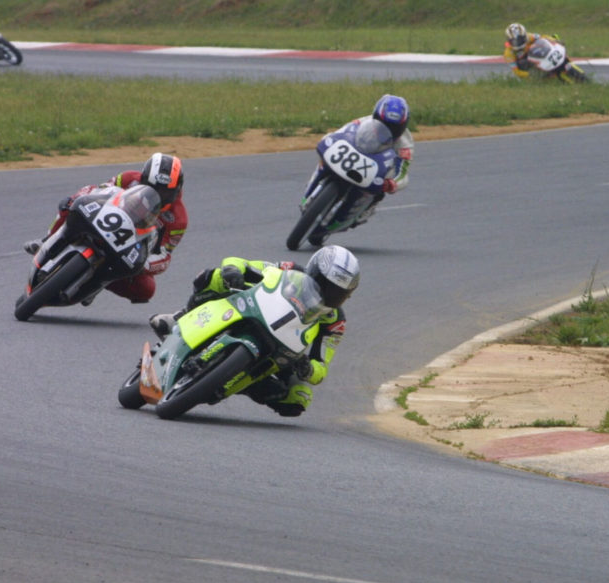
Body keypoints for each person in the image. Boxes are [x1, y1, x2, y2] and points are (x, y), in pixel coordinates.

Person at [148, 245, 360, 417]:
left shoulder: (335, 322)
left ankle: (233, 381)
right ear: (313, 271)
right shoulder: (292, 270)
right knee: (214, 277)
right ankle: (180, 317)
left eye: (338, 293)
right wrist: (233, 271)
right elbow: (245, 264)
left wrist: (308, 369)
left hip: (287, 349)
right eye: (325, 284)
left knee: (298, 399)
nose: (328, 294)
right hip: (259, 309)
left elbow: (322, 366)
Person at [22, 153, 187, 305]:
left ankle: (99, 283)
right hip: (105, 219)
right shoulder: (129, 178)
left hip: (130, 247)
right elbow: (99, 190)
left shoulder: (178, 220)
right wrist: (76, 198)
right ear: (143, 178)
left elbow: (164, 256)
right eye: (151, 187)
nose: (157, 195)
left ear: (177, 189)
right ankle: (47, 239)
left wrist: (146, 264)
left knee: (147, 289)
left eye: (164, 192)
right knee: (69, 206)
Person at [302, 93, 414, 228]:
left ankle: (366, 208)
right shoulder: (363, 121)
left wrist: (392, 184)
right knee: (325, 157)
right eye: (384, 124)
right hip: (355, 154)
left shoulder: (405, 144)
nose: (389, 130)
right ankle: (309, 191)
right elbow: (341, 133)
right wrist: (328, 140)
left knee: (381, 185)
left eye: (395, 127)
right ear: (375, 117)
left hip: (377, 166)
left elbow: (402, 172)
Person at [504, 23, 587, 82]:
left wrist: (554, 40)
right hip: (529, 67)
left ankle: (567, 62)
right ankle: (544, 78)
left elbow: (543, 37)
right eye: (514, 41)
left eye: (520, 39)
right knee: (522, 63)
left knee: (549, 40)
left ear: (524, 36)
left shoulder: (529, 36)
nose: (517, 43)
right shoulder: (509, 54)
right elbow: (517, 72)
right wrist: (530, 75)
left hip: (538, 55)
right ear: (509, 40)